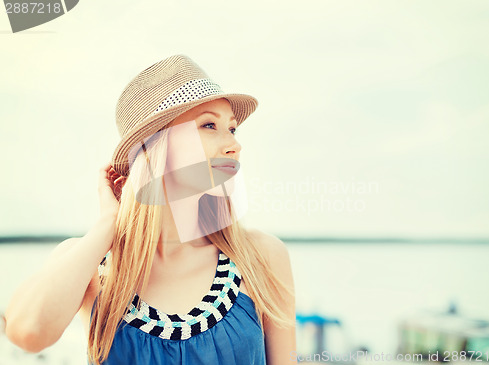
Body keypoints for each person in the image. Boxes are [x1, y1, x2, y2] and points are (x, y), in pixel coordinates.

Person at [4, 54, 297, 364]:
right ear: (157, 146)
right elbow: (27, 332)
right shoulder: (94, 266)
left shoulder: (260, 258)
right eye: (209, 125)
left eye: (233, 129)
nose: (233, 145)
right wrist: (107, 225)